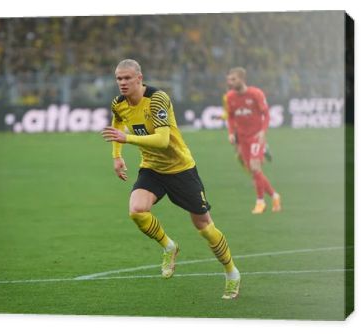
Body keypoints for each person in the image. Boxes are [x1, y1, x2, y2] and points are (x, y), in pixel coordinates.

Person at [101, 59, 241, 299]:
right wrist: (117, 156)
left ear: (139, 77)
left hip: (181, 169)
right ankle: (169, 246)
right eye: (118, 78)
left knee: (205, 228)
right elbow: (117, 123)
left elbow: (163, 140)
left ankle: (231, 273)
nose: (122, 83)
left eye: (126, 78)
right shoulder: (119, 104)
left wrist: (127, 140)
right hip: (152, 168)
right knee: (137, 210)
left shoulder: (157, 99)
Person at [225, 67, 281, 214]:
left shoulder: (255, 94)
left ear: (242, 79)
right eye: (229, 79)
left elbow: (266, 114)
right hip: (242, 139)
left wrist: (263, 132)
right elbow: (230, 116)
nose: (230, 82)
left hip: (256, 136)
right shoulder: (230, 97)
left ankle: (260, 202)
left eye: (233, 79)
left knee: (255, 167)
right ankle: (275, 196)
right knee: (255, 172)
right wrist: (231, 133)